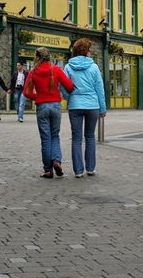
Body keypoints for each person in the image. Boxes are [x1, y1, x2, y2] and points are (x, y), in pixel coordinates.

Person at [23, 47, 74, 179]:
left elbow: (26, 92)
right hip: (56, 105)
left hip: (42, 106)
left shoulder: (33, 72)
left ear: (38, 58)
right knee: (55, 135)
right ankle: (57, 161)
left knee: (46, 138)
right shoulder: (56, 69)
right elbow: (69, 86)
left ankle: (48, 170)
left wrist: (38, 97)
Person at [62, 38, 107, 178]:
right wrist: (102, 108)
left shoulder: (68, 67)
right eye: (89, 50)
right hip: (92, 105)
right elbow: (100, 89)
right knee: (90, 136)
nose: (90, 52)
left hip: (75, 105)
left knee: (76, 138)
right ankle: (90, 168)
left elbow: (62, 86)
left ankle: (78, 171)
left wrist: (70, 98)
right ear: (86, 51)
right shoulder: (94, 67)